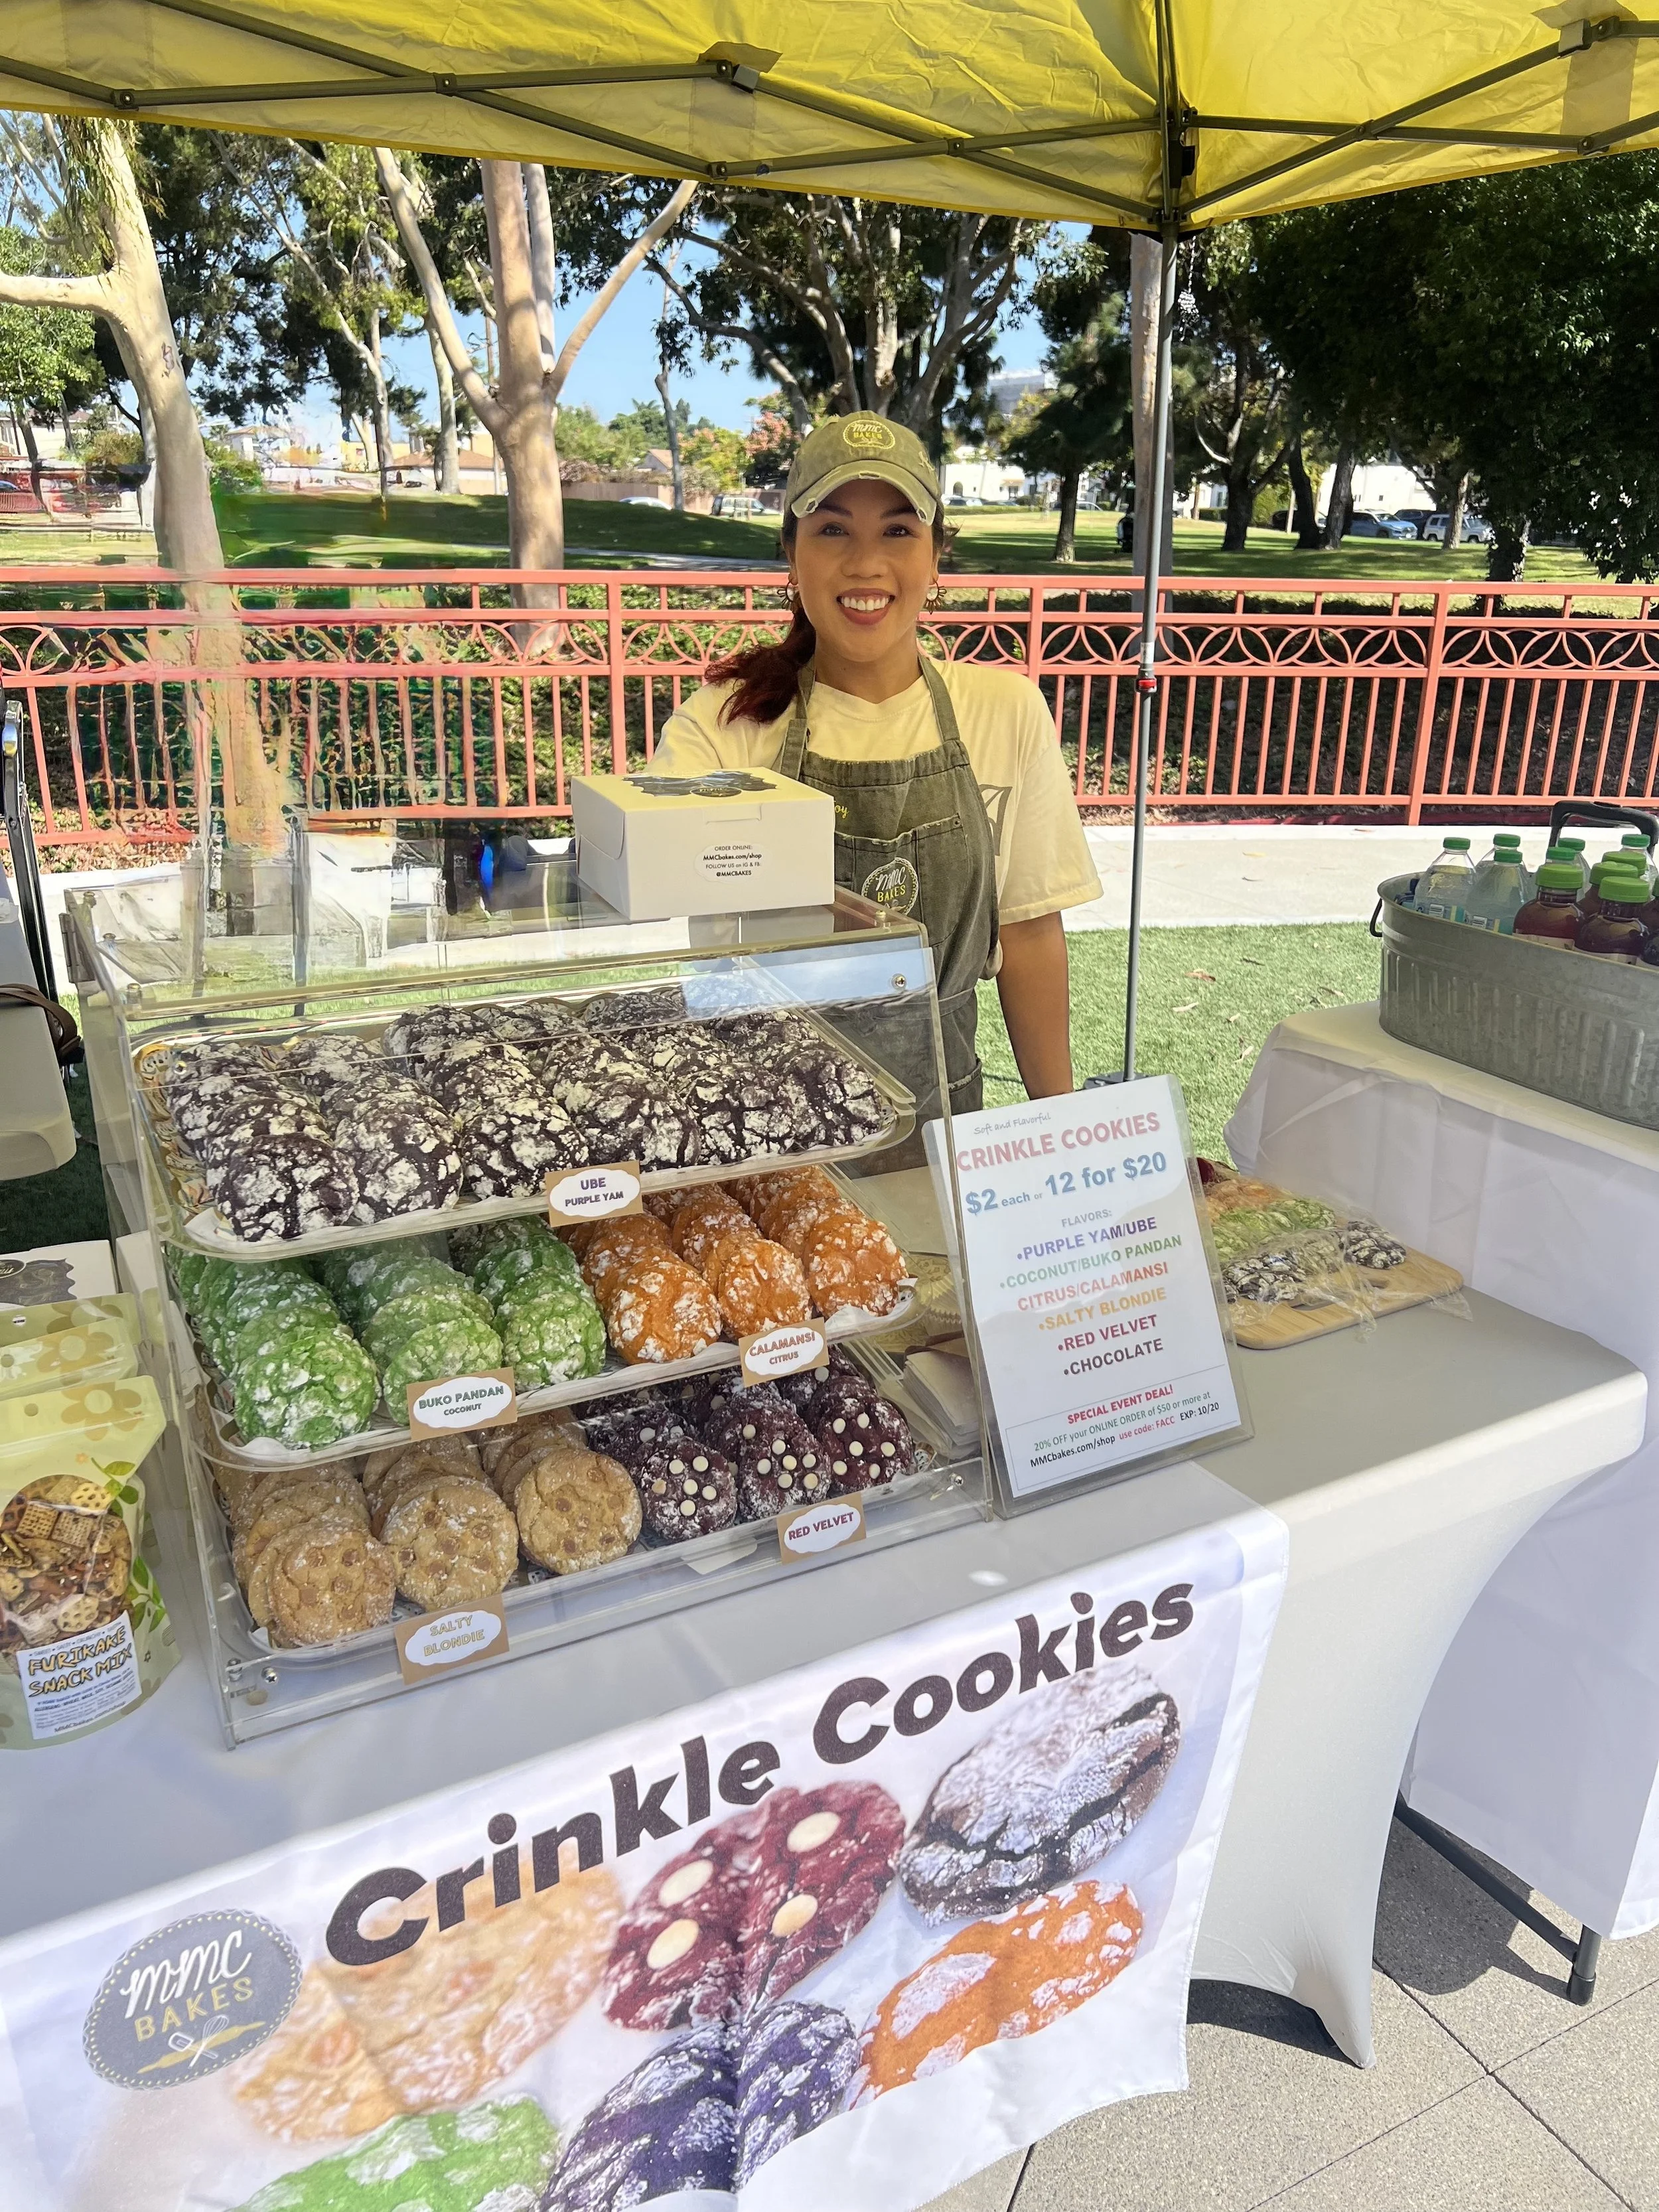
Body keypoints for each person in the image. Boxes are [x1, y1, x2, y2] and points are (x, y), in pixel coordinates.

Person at [650, 413, 1101, 1113]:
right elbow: (681, 920)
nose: (865, 564)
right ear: (790, 558)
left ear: (934, 559)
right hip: (761, 1127)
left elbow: (1029, 932)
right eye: (832, 530)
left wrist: (1063, 1131)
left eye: (897, 530)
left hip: (941, 1124)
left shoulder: (1003, 711)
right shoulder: (722, 725)